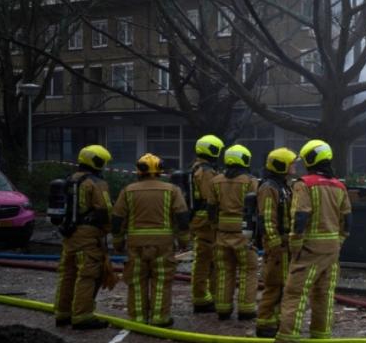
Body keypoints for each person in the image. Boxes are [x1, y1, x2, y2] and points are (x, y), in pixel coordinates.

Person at [268, 140, 351, 343]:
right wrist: (339, 241)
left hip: (310, 248)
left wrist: (295, 245)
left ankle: (287, 338)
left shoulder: (304, 184)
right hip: (332, 248)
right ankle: (321, 336)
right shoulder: (339, 185)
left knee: (295, 291)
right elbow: (347, 220)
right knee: (324, 292)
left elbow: (300, 216)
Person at [111, 153, 190, 327]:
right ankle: (159, 318)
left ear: (139, 171)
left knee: (137, 281)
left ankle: (138, 319)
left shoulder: (128, 191)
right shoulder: (172, 190)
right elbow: (182, 217)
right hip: (163, 245)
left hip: (135, 245)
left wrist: (117, 243)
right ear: (160, 171)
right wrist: (184, 241)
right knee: (161, 280)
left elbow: (117, 219)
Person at [53, 145, 114, 330]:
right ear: (97, 161)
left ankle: (63, 314)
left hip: (69, 235)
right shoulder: (96, 182)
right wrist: (109, 229)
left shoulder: (70, 179)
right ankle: (82, 316)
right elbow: (105, 209)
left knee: (68, 274)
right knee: (88, 275)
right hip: (88, 235)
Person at [210, 144, 259, 321]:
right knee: (248, 270)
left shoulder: (215, 181)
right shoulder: (250, 181)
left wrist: (215, 228)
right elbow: (255, 209)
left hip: (222, 233)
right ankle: (246, 310)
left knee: (224, 271)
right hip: (244, 234)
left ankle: (223, 309)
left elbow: (211, 208)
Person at [255, 147, 296, 338]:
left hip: (284, 244)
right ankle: (264, 324)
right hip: (277, 245)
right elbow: (267, 219)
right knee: (274, 285)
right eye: (291, 163)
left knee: (283, 286)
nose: (294, 167)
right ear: (282, 165)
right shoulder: (269, 187)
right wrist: (274, 245)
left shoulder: (283, 185)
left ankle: (277, 322)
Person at [189, 134, 224, 313]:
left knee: (210, 259)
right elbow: (210, 196)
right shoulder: (205, 171)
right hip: (205, 222)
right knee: (204, 260)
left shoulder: (200, 168)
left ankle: (210, 295)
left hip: (204, 221)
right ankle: (201, 297)